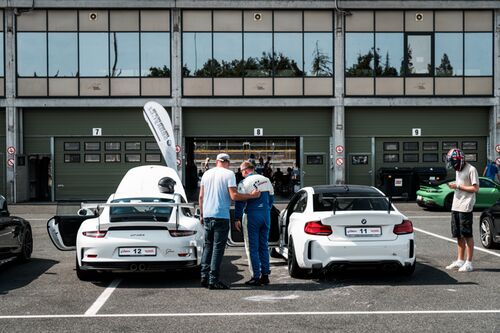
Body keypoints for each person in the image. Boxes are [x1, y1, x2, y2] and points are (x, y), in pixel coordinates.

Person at [199, 153, 260, 290]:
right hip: (221, 215)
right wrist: (251, 196)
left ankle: (204, 276)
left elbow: (201, 196)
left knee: (208, 247)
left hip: (208, 214)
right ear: (227, 162)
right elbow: (234, 196)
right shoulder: (229, 174)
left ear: (217, 161)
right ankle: (213, 280)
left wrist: (202, 215)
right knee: (218, 249)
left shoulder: (206, 174)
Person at [234, 161, 275, 286]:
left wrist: (237, 218)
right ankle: (265, 275)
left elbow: (239, 202)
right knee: (264, 245)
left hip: (252, 215)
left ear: (245, 170)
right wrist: (266, 209)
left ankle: (255, 276)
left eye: (241, 171)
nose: (241, 173)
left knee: (252, 247)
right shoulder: (266, 180)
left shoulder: (244, 182)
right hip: (265, 215)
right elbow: (271, 198)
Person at [445, 148, 479, 272]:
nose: (451, 165)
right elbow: (461, 184)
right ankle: (460, 260)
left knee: (467, 234)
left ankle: (469, 262)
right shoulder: (458, 170)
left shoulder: (471, 169)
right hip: (456, 205)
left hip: (466, 206)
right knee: (458, 234)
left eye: (452, 162)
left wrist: (458, 186)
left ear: (458, 160)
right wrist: (454, 185)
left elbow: (475, 188)